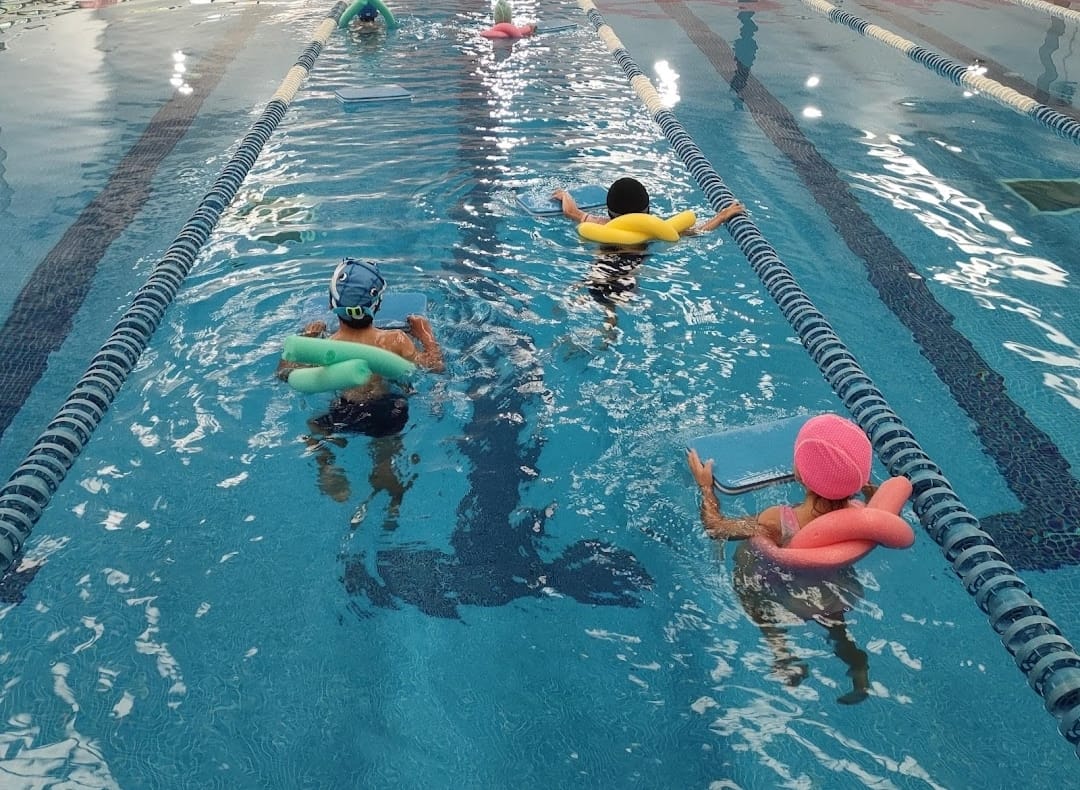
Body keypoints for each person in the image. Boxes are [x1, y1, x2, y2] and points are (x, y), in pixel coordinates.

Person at [686, 413, 876, 704]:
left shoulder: (779, 519)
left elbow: (716, 528)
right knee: (839, 632)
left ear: (799, 473)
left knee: (748, 581)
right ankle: (858, 669)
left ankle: (782, 652)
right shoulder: (859, 512)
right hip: (834, 594)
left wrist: (705, 487)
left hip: (784, 594)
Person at [278, 259, 443, 524]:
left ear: (333, 305)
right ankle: (384, 474)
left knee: (315, 428)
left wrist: (309, 337)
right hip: (389, 411)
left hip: (345, 411)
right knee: (385, 452)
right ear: (377, 304)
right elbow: (434, 367)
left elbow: (286, 373)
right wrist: (425, 334)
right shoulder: (395, 340)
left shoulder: (330, 347)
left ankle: (326, 463)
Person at [551, 178, 745, 333]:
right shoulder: (656, 231)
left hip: (598, 272)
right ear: (647, 210)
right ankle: (607, 330)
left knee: (583, 299)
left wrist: (564, 194)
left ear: (610, 212)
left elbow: (571, 212)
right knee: (612, 310)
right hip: (627, 277)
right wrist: (722, 215)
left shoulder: (599, 224)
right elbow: (699, 231)